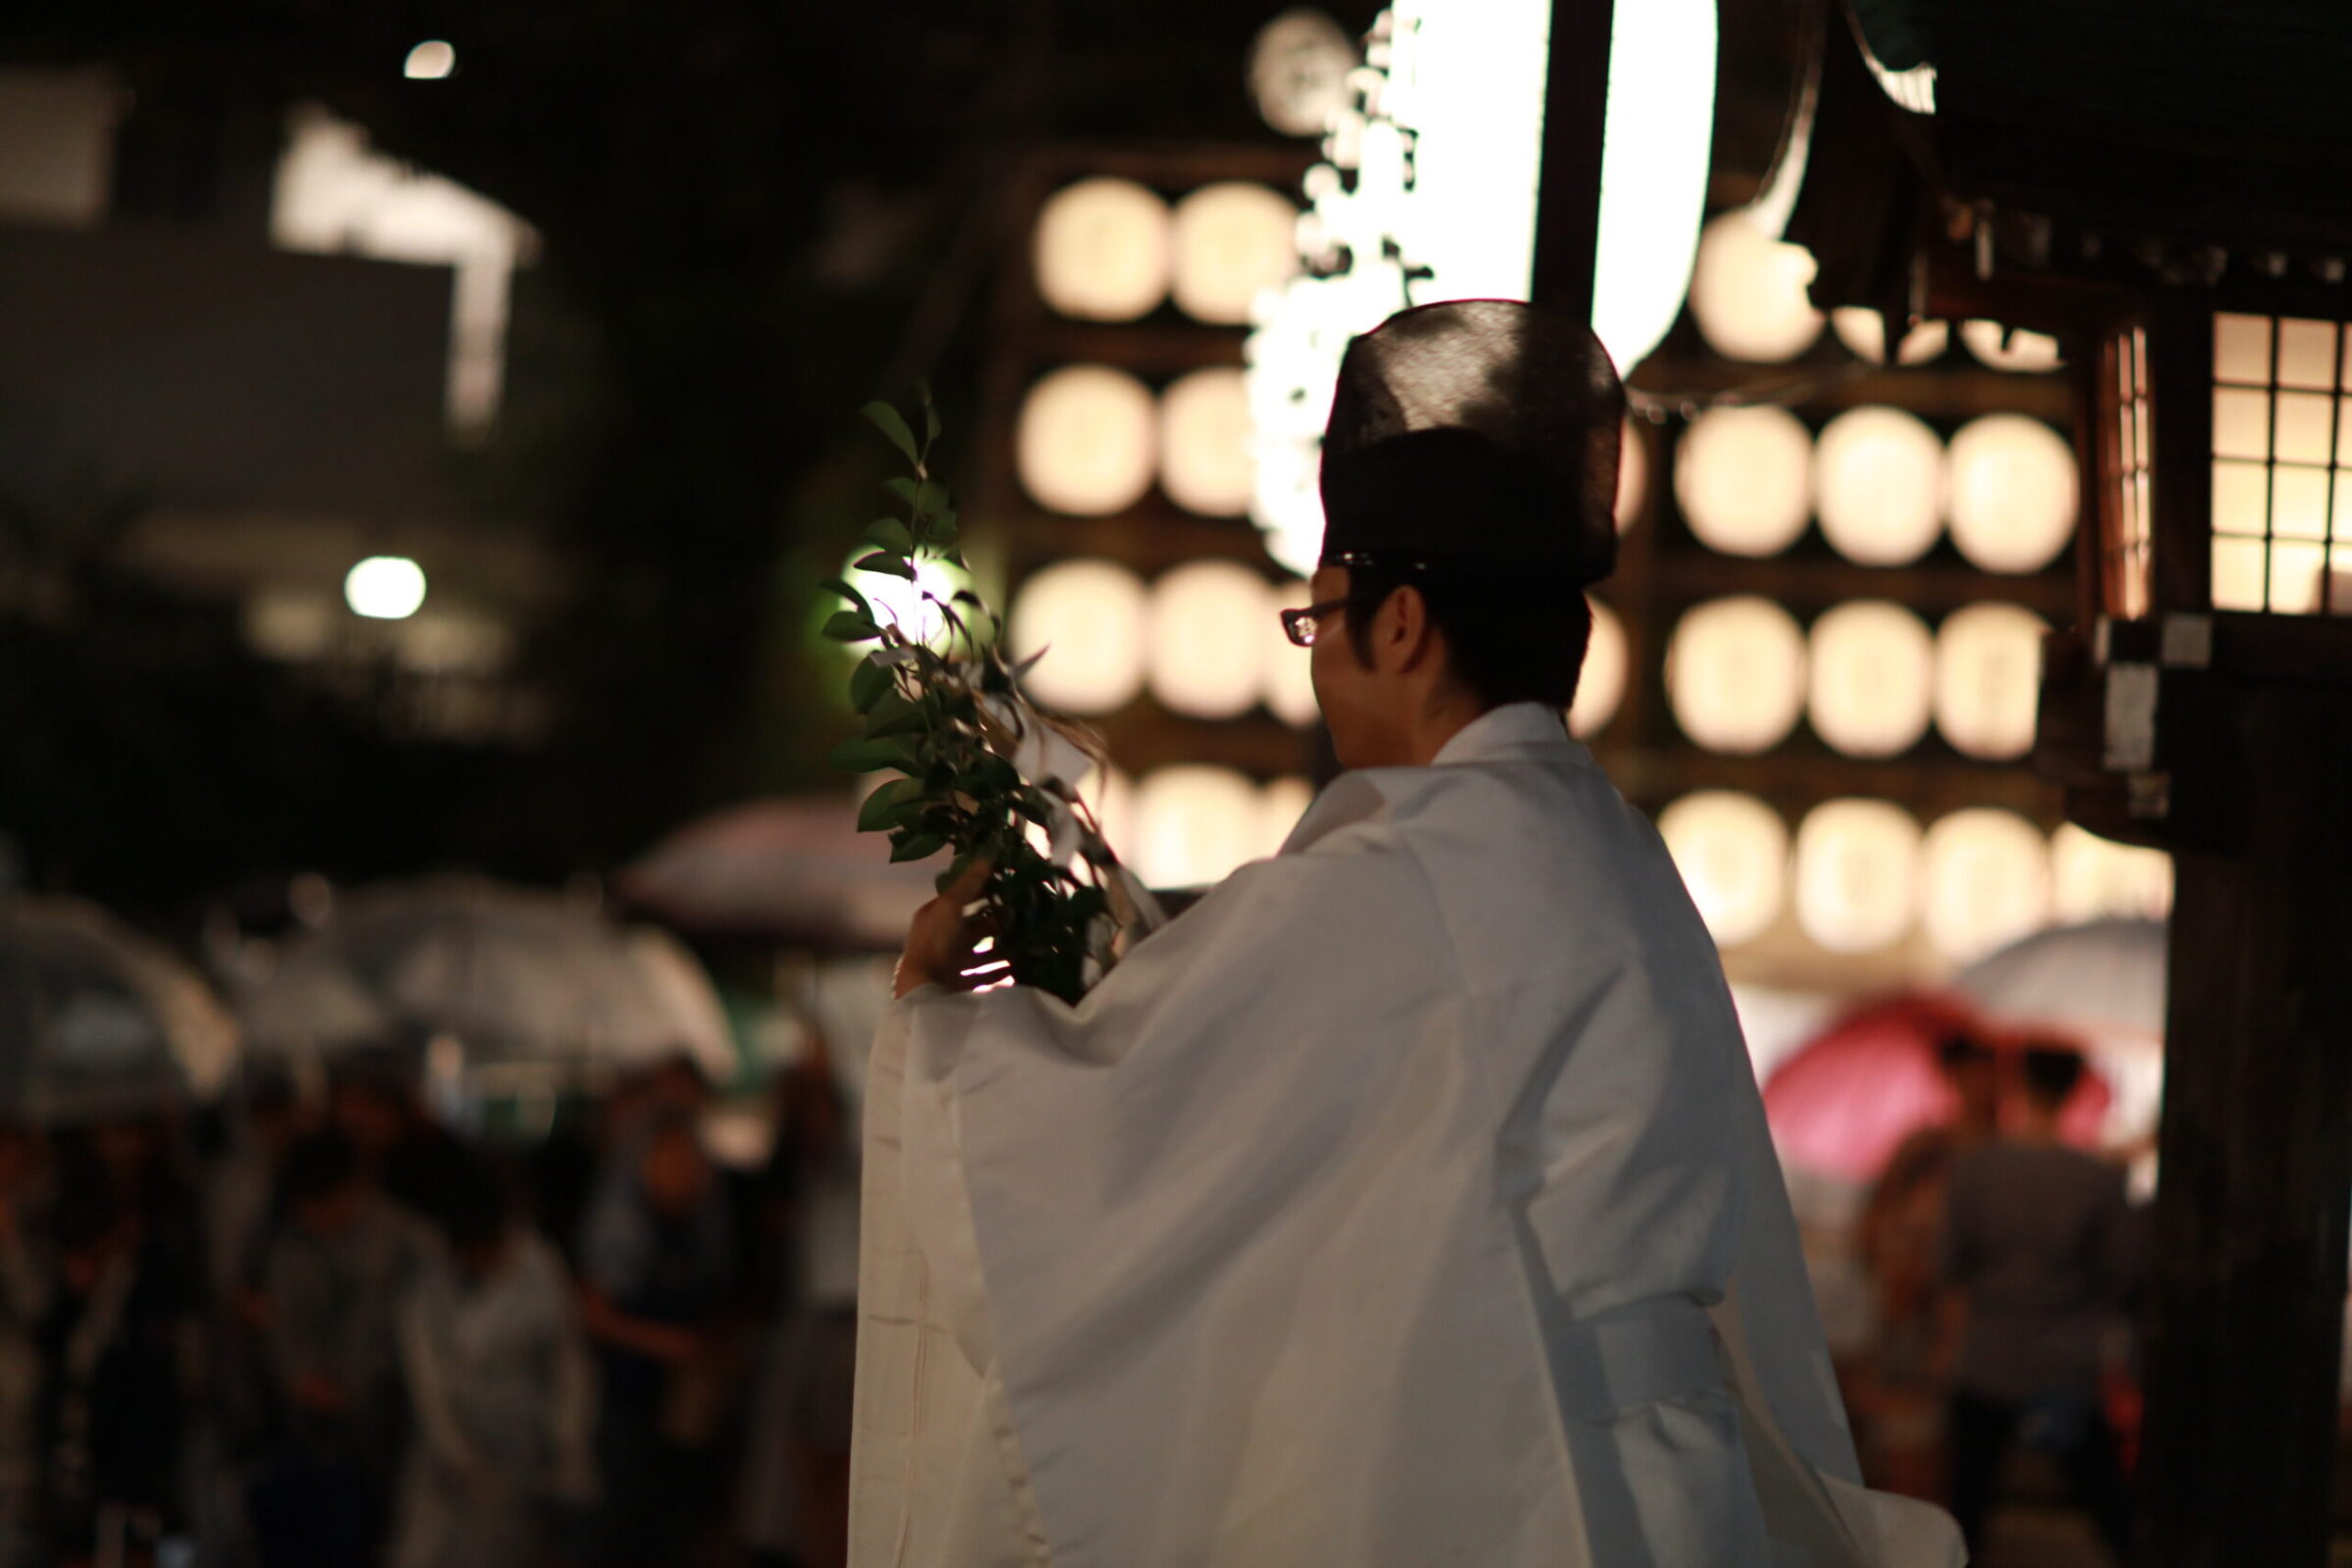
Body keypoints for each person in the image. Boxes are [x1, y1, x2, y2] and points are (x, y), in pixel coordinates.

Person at [851, 300, 1960, 1568]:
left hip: (1497, 1477)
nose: (1316, 665)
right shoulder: (1622, 860)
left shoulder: (1396, 879)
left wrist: (940, 1027)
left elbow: (1100, 1151)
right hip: (1681, 1489)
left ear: (1400, 626)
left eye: (1322, 623)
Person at [1941, 1043, 2135, 1561]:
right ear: (2073, 1089)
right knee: (2106, 1499)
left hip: (1989, 1354)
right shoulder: (2096, 1178)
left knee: (1970, 1502)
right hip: (2065, 1358)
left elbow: (1949, 1261)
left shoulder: (1978, 1169)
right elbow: (2120, 1272)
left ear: (2020, 1084)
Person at [390, 1156, 595, 1568]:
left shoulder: (539, 1265)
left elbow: (567, 1364)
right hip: (452, 1460)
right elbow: (428, 1383)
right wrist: (459, 1455)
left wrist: (567, 1436)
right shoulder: (428, 1283)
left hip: (528, 1449)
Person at [248, 1130, 431, 1568]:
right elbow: (286, 1341)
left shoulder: (406, 1242)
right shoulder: (292, 1248)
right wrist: (311, 1386)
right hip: (312, 1439)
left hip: (394, 1433)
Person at [575, 1110, 737, 1568]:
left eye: (689, 1161)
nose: (682, 1172)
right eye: (670, 1160)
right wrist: (663, 1343)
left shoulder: (701, 1229)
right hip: (625, 1400)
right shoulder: (621, 1226)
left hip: (681, 1411)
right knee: (621, 1525)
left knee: (673, 1526)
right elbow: (594, 1314)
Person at [1852, 1026, 2000, 1495]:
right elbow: (1873, 1234)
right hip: (1923, 1320)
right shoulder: (1931, 1148)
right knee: (1914, 1453)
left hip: (1967, 1324)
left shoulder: (1992, 1151)